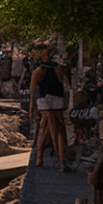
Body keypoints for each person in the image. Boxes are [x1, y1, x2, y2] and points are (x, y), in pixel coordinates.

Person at [28, 42, 73, 170]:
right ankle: (61, 159)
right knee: (58, 128)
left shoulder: (38, 71)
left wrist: (31, 110)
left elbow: (32, 93)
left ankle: (40, 157)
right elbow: (66, 85)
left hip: (44, 99)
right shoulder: (58, 68)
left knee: (44, 126)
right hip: (57, 98)